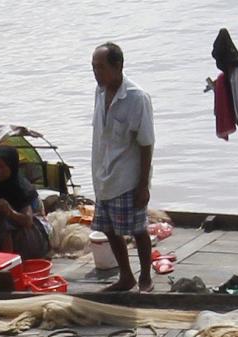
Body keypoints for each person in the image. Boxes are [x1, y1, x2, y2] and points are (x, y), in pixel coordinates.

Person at [89, 42, 156, 292]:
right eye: (94, 67)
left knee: (138, 229)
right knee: (108, 229)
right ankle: (126, 276)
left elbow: (146, 143)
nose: (97, 73)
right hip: (103, 176)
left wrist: (143, 185)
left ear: (118, 66)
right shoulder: (99, 92)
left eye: (101, 67)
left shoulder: (137, 98)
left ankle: (146, 277)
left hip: (127, 177)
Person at [0, 144, 51, 259]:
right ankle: (7, 257)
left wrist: (9, 211)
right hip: (12, 231)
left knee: (4, 221)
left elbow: (28, 221)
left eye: (2, 167)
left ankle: (8, 260)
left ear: (12, 166)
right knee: (1, 221)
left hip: (35, 233)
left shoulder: (21, 188)